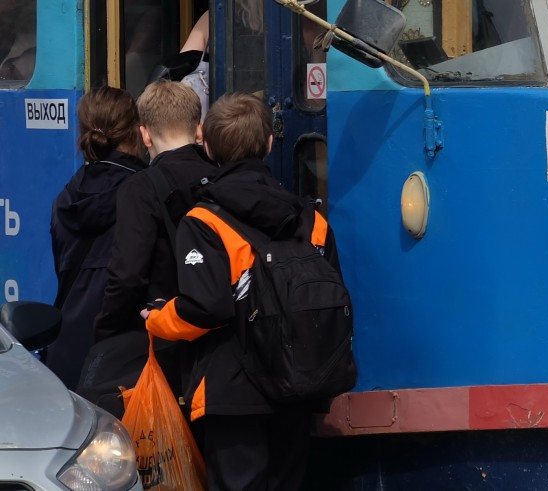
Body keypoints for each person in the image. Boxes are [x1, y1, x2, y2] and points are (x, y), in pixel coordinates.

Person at [145, 93, 342, 491]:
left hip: (231, 391)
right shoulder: (311, 221)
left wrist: (159, 319)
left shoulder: (203, 221)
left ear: (207, 147)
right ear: (269, 144)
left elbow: (207, 307)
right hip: (298, 384)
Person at [93, 80, 217, 341]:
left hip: (166, 334)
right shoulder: (222, 177)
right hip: (219, 331)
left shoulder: (139, 188)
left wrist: (105, 331)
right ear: (199, 131)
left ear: (145, 135)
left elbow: (128, 276)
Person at [43, 86, 146, 390]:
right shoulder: (145, 192)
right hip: (126, 356)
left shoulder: (65, 199)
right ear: (136, 132)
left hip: (68, 353)